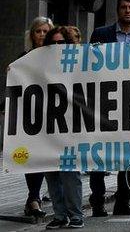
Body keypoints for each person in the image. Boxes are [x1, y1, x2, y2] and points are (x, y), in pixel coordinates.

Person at [88, 0, 130, 217]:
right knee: (99, 153)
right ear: (117, 10)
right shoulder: (101, 34)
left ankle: (123, 201)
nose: (127, 11)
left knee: (127, 153)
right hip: (105, 101)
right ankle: (98, 202)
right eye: (123, 7)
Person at [41, 26, 85, 229]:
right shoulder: (39, 64)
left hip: (70, 126)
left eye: (62, 43)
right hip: (48, 126)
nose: (57, 47)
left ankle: (76, 215)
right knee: (51, 171)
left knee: (69, 172)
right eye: (54, 44)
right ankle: (60, 215)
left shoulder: (79, 64)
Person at [18, 16, 53, 219]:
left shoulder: (58, 55)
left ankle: (36, 198)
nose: (42, 35)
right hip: (31, 117)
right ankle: (33, 198)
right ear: (32, 35)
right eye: (38, 31)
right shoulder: (24, 58)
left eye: (45, 31)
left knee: (46, 158)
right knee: (34, 157)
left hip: (53, 117)